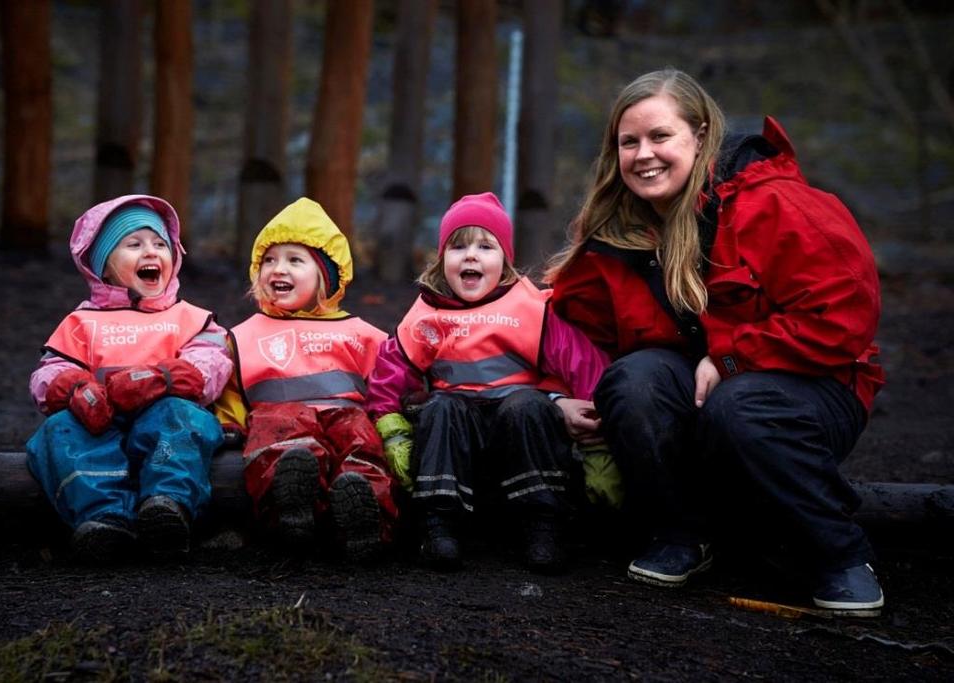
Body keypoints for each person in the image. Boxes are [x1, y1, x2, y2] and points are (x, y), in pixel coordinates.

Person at [545, 69, 886, 615]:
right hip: (708, 397)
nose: (643, 155)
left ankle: (840, 554)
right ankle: (683, 534)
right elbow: (564, 329)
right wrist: (551, 396)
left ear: (701, 137)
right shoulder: (616, 230)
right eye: (628, 142)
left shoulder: (777, 205)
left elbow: (842, 318)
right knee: (634, 381)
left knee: (741, 405)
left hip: (813, 391)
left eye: (660, 136)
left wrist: (730, 359)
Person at [366, 192, 609, 574]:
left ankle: (543, 527)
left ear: (506, 259)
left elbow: (580, 361)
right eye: (458, 246)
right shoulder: (429, 313)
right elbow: (390, 370)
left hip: (516, 424)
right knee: (440, 407)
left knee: (529, 406)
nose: (471, 255)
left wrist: (600, 431)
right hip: (459, 429)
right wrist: (390, 425)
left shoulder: (528, 308)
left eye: (485, 246)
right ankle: (439, 527)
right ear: (442, 258)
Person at [27, 195, 233, 561]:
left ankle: (167, 506)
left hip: (163, 419)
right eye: (134, 244)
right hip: (100, 424)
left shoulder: (190, 318)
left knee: (183, 418)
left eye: (160, 244)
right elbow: (49, 373)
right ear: (103, 267)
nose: (151, 252)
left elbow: (212, 363)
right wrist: (75, 389)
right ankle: (104, 519)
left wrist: (163, 377)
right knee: (57, 429)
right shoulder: (81, 323)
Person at [215, 197, 397, 561]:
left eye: (294, 260)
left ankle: (364, 517)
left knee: (360, 442)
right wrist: (229, 424)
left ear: (325, 277)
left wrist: (394, 423)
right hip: (280, 420)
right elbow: (230, 389)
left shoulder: (361, 334)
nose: (278, 269)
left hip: (345, 418)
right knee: (283, 442)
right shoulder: (244, 335)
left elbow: (386, 386)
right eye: (269, 260)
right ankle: (291, 513)